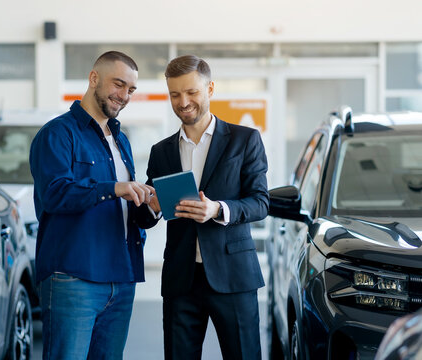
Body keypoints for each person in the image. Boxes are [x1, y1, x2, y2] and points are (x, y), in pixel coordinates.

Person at [136, 55, 269, 359]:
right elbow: (147, 216)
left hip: (233, 276)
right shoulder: (161, 151)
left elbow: (260, 202)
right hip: (181, 281)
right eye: (174, 94)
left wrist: (218, 209)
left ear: (209, 89)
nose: (183, 102)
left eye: (191, 92)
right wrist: (153, 206)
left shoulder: (244, 140)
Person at [29, 51, 155, 360]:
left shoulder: (120, 140)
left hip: (122, 279)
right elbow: (56, 194)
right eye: (118, 84)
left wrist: (150, 205)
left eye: (131, 90)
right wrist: (114, 188)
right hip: (74, 278)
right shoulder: (58, 134)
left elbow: (124, 208)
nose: (124, 96)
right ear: (94, 78)